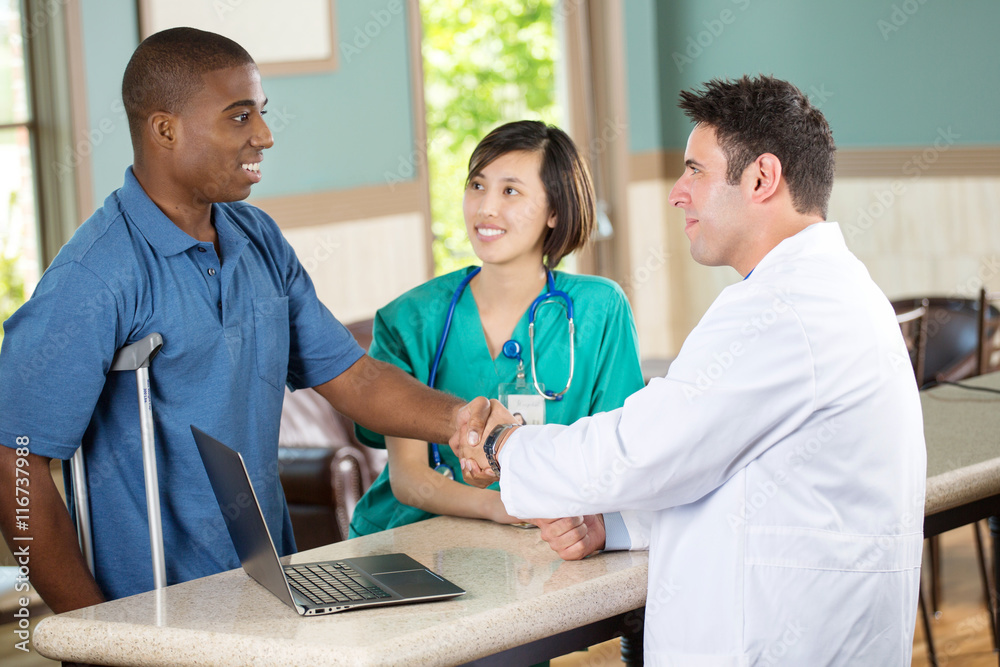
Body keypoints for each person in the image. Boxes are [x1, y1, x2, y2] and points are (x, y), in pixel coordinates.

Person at [0, 27, 493, 614]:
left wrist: (462, 420)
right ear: (165, 129)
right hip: (152, 609)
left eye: (261, 113)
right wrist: (88, 632)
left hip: (267, 590)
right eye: (239, 118)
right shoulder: (96, 275)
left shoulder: (256, 238)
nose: (264, 135)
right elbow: (14, 458)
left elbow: (354, 379)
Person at [454, 76, 926, 664]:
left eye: (695, 170)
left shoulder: (783, 309)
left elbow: (646, 448)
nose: (677, 192)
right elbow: (732, 473)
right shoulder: (825, 290)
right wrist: (615, 525)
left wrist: (506, 445)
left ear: (761, 178)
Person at [350, 121, 645, 545]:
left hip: (545, 537)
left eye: (510, 191)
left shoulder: (599, 309)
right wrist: (505, 507)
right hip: (410, 538)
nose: (486, 207)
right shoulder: (410, 317)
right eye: (477, 185)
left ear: (555, 211)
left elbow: (614, 449)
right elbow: (410, 479)